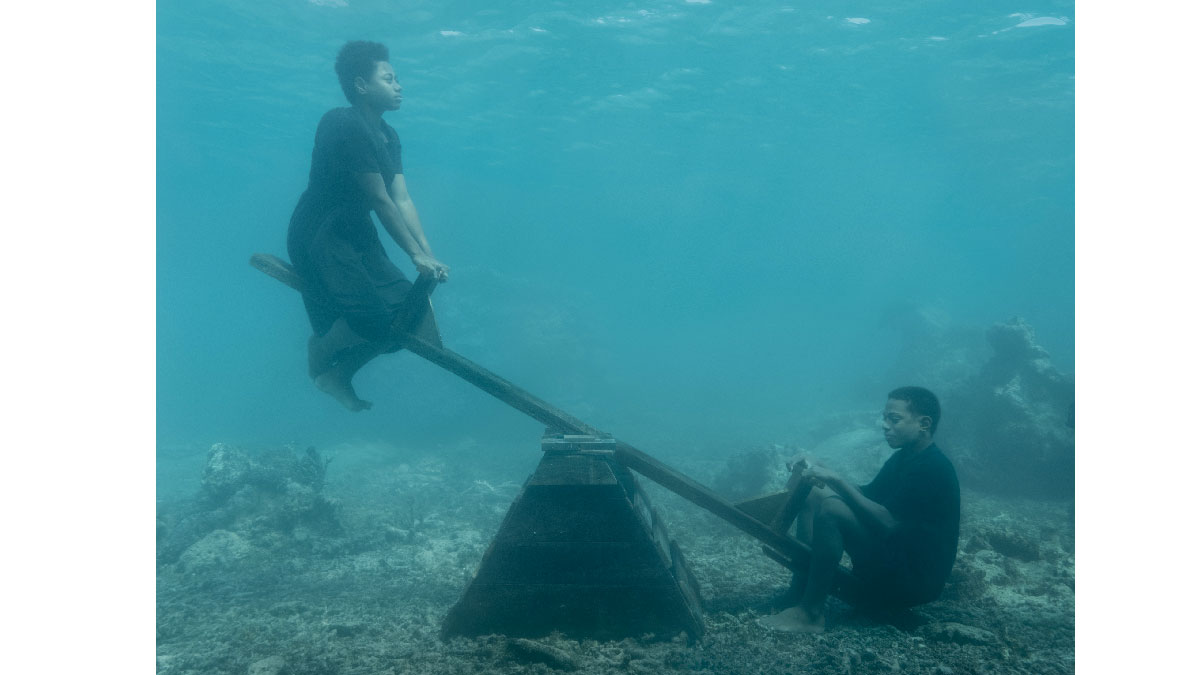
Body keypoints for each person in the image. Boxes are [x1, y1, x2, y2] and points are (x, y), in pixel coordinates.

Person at [287, 40, 450, 412]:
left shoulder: (388, 135)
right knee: (374, 323)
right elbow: (379, 199)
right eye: (389, 78)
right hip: (320, 234)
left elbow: (402, 198)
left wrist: (427, 254)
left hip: (357, 234)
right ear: (361, 85)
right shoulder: (342, 124)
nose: (399, 85)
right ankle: (322, 348)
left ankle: (338, 375)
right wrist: (413, 255)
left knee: (407, 321)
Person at [758, 386, 960, 633]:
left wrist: (836, 480)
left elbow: (888, 523)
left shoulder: (933, 468)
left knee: (832, 509)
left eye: (894, 419)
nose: (884, 425)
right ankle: (799, 593)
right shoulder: (906, 457)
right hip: (894, 559)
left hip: (913, 581)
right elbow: (867, 496)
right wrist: (821, 467)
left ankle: (811, 614)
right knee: (815, 491)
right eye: (884, 417)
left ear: (924, 424)